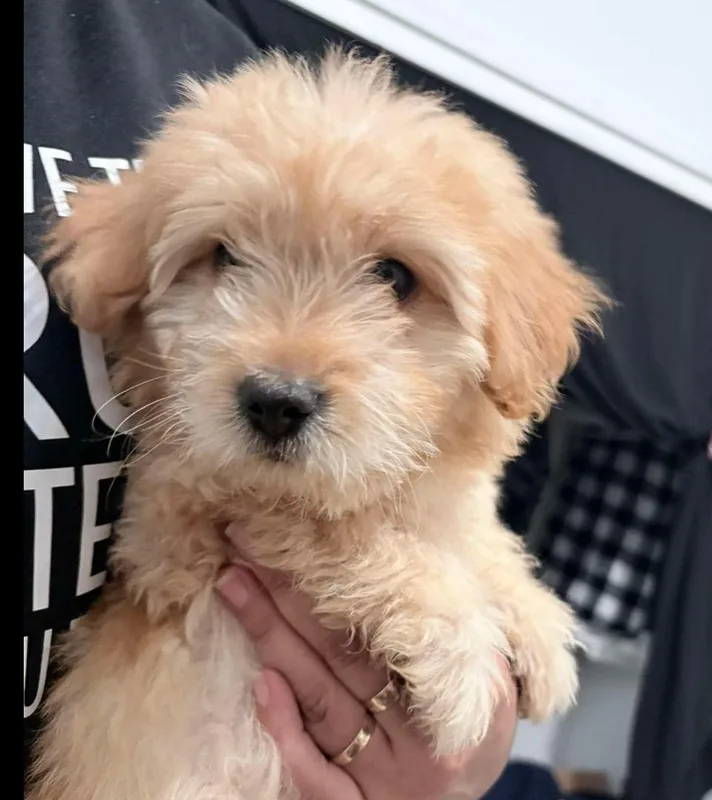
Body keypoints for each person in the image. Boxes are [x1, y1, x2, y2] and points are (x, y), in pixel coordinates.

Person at [23, 1, 517, 796]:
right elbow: (199, 514)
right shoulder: (193, 140)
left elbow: (466, 734)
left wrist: (458, 757)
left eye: (391, 279)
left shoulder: (204, 50)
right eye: (224, 257)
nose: (287, 369)